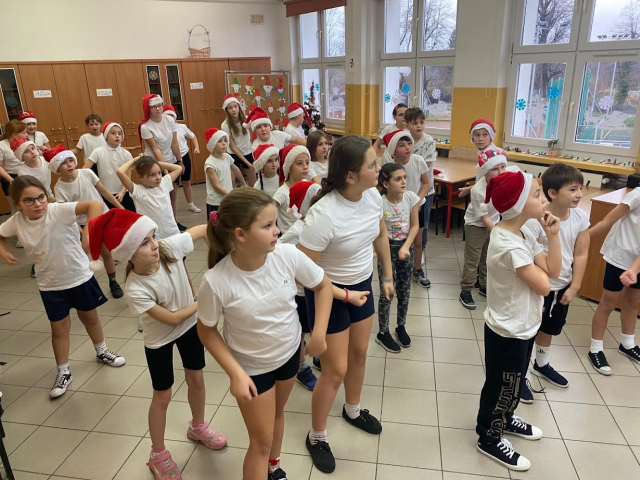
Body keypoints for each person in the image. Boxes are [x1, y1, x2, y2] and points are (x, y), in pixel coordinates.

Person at [197, 188, 335, 480]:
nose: (277, 231)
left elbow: (323, 285)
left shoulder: (286, 255)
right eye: (268, 225)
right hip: (251, 369)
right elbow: (206, 330)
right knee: (260, 441)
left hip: (289, 355)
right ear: (241, 234)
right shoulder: (217, 280)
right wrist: (235, 372)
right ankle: (266, 464)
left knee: (276, 415)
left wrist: (319, 333)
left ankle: (273, 467)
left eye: (276, 223)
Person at [88, 209, 226, 480]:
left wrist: (219, 262)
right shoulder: (135, 287)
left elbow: (202, 230)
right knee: (162, 395)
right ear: (128, 253)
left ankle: (198, 426)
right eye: (144, 242)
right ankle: (158, 453)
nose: (154, 245)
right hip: (159, 339)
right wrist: (204, 302)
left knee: (197, 378)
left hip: (189, 327)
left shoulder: (168, 248)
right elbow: (172, 319)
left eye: (153, 236)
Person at [298, 135, 394, 474]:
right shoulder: (324, 214)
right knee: (335, 370)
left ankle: (352, 410)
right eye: (372, 165)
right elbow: (304, 273)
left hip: (361, 286)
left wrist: (386, 275)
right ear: (350, 175)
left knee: (360, 354)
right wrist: (343, 295)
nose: (379, 169)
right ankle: (317, 436)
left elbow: (380, 233)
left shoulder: (372, 196)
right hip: (329, 294)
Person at [0, 176, 125, 399]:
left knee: (90, 318)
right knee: (58, 329)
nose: (38, 204)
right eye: (29, 200)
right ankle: (63, 371)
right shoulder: (17, 221)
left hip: (79, 277)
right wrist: (3, 251)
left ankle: (102, 351)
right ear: (17, 204)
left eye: (41, 197)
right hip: (50, 284)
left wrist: (89, 232)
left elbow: (94, 205)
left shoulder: (57, 210)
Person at [476, 170, 561, 471]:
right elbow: (546, 286)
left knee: (513, 383)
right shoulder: (508, 245)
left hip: (524, 326)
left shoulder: (523, 233)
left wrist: (553, 236)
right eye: (537, 194)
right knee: (502, 386)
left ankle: (506, 418)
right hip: (507, 331)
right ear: (518, 204)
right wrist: (543, 273)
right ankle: (489, 437)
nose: (543, 199)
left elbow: (552, 269)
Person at [523, 164, 590, 399]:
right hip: (538, 286)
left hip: (562, 285)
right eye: (572, 189)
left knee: (550, 327)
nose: (579, 194)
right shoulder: (536, 220)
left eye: (580, 188)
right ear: (552, 193)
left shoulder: (580, 217)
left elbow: (581, 254)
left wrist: (575, 286)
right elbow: (528, 257)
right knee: (528, 332)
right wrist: (539, 287)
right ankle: (520, 375)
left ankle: (541, 364)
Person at [51, 147, 124, 298]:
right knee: (83, 256)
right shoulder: (59, 188)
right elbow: (67, 214)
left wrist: (120, 208)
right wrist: (82, 232)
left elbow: (105, 192)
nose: (69, 164)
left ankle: (113, 282)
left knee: (106, 252)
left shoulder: (87, 173)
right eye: (64, 163)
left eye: (71, 160)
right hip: (81, 225)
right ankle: (88, 286)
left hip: (100, 218)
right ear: (57, 168)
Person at [588, 185, 640, 374]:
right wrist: (580, 240)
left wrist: (634, 269)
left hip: (638, 262)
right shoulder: (637, 195)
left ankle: (627, 343)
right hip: (620, 256)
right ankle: (595, 348)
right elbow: (607, 220)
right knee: (608, 303)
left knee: (633, 301)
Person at [278, 180, 323, 391]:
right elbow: (276, 251)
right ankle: (301, 366)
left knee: (314, 325)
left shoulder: (317, 225)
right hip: (299, 293)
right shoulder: (297, 231)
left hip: (315, 289)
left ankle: (315, 355)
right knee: (300, 332)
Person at [375, 162, 420, 353]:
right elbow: (377, 231)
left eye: (404, 178)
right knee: (388, 291)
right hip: (387, 249)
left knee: (404, 290)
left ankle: (401, 326)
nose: (403, 182)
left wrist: (406, 246)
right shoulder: (379, 202)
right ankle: (383, 332)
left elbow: (415, 225)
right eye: (398, 179)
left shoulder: (410, 198)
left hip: (404, 248)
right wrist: (376, 249)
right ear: (386, 184)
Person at [459, 149, 508, 310]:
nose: (501, 172)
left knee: (487, 257)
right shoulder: (479, 191)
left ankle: (483, 285)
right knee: (472, 260)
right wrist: (498, 233)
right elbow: (484, 217)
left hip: (492, 223)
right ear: (485, 171)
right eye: (495, 169)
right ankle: (466, 290)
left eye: (503, 167)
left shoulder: (504, 181)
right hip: (476, 225)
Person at [382, 130, 430, 288]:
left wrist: (417, 201)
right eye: (402, 145)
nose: (408, 147)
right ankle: (393, 271)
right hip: (396, 207)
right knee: (395, 239)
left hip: (416, 204)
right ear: (393, 150)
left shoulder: (418, 160)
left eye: (409, 143)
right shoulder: (389, 165)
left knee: (417, 241)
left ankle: (417, 270)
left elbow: (426, 183)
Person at [139, 94, 184, 227]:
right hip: (154, 164)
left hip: (171, 160)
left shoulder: (169, 120)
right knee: (159, 195)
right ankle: (157, 223)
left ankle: (173, 221)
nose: (158, 108)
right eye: (154, 106)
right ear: (148, 109)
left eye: (159, 105)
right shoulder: (145, 126)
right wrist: (164, 170)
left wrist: (179, 161)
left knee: (173, 193)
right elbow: (156, 149)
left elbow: (174, 143)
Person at [117, 155, 182, 240]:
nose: (158, 177)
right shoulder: (138, 191)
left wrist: (154, 162)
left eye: (159, 173)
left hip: (172, 232)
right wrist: (135, 160)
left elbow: (178, 168)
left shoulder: (164, 184)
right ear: (141, 177)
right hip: (153, 238)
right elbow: (120, 172)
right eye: (152, 175)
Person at [404, 107, 436, 262]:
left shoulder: (428, 141)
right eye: (415, 123)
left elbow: (425, 166)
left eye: (422, 122)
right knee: (406, 222)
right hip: (406, 188)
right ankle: (407, 248)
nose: (419, 126)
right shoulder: (403, 138)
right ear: (407, 125)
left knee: (423, 224)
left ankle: (420, 250)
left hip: (425, 190)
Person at [84, 122, 135, 211]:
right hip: (105, 194)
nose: (117, 136)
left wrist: (122, 192)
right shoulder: (98, 152)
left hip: (124, 193)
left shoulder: (126, 154)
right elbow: (84, 170)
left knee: (130, 216)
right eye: (113, 133)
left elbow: (128, 177)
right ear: (106, 135)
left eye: (120, 133)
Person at [163, 105, 202, 214]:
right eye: (167, 116)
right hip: (172, 159)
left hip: (184, 156)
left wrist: (197, 147)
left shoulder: (182, 127)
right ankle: (171, 209)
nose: (170, 118)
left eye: (172, 115)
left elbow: (193, 136)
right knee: (173, 185)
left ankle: (190, 204)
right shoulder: (164, 130)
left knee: (186, 181)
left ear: (175, 117)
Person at [204, 128, 246, 217]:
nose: (224, 143)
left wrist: (244, 183)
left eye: (225, 140)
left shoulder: (227, 157)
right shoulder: (210, 163)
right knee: (216, 223)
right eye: (219, 141)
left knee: (228, 221)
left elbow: (235, 169)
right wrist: (229, 195)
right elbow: (216, 185)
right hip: (215, 201)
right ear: (213, 145)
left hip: (227, 197)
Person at [459, 119, 502, 199]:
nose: (481, 139)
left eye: (485, 135)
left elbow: (492, 184)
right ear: (472, 138)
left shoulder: (492, 155)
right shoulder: (484, 153)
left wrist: (470, 189)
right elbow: (484, 181)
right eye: (477, 135)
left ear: (491, 137)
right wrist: (469, 189)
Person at [273, 145, 310, 235]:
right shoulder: (282, 192)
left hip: (305, 234)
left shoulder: (307, 184)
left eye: (307, 162)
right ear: (289, 168)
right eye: (299, 163)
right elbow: (267, 209)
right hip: (289, 238)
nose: (305, 167)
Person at [221, 94, 257, 186]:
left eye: (235, 106)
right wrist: (246, 162)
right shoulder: (225, 125)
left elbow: (256, 130)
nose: (233, 110)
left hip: (247, 151)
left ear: (239, 107)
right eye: (230, 108)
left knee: (253, 184)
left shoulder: (246, 119)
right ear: (226, 110)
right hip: (233, 153)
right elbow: (233, 147)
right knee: (231, 183)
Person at [0, 120, 29, 218]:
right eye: (24, 133)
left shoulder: (26, 143)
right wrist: (10, 179)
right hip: (10, 177)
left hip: (26, 174)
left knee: (29, 204)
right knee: (16, 208)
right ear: (14, 135)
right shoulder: (2, 145)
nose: (27, 135)